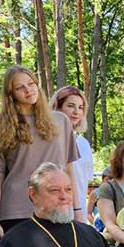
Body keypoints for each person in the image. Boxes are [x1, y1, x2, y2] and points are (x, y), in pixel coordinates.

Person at [0, 66, 81, 240]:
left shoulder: (61, 120)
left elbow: (69, 169)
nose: (28, 90)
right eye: (20, 87)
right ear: (11, 93)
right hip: (16, 210)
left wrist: (77, 210)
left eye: (31, 83)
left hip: (58, 207)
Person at [50, 86, 94, 216]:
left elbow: (84, 183)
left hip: (79, 211)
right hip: (55, 210)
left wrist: (79, 210)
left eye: (80, 107)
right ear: (57, 108)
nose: (76, 112)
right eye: (71, 106)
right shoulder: (48, 141)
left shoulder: (83, 143)